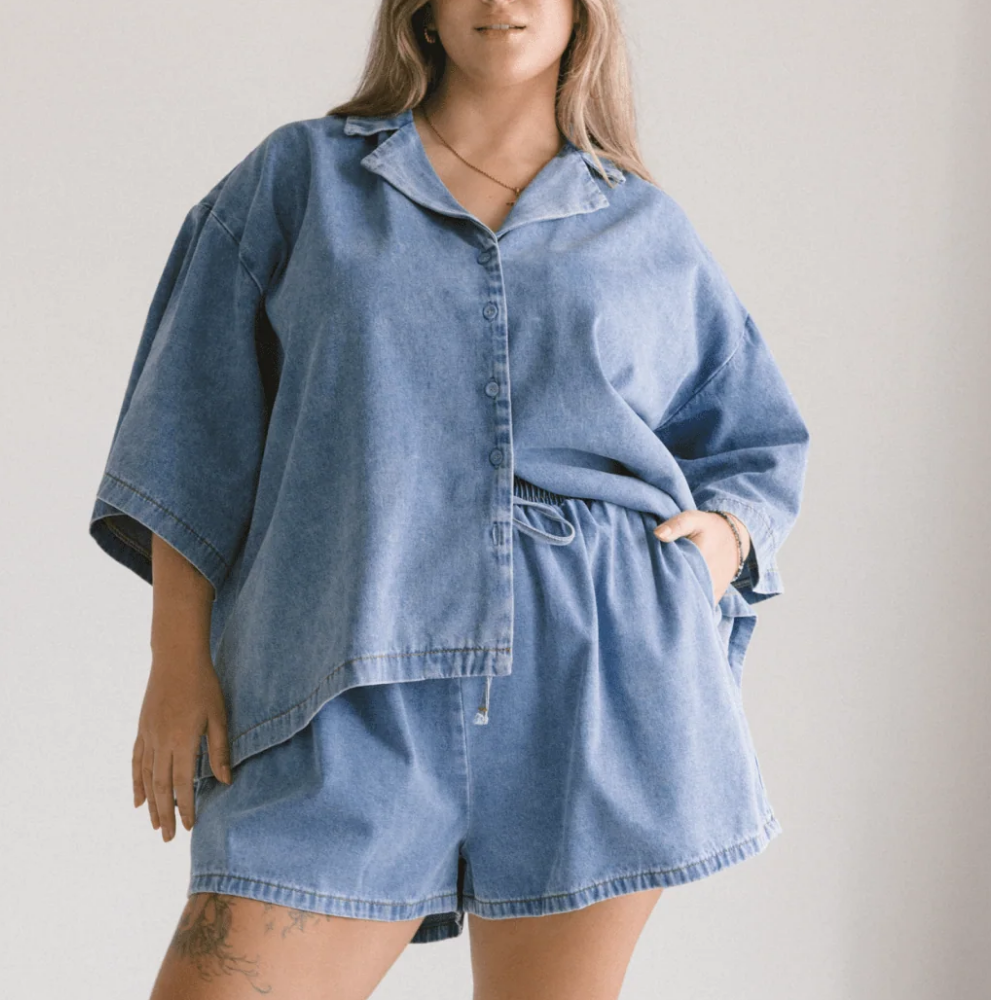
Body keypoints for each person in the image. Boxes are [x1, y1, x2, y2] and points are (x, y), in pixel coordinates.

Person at [88, 1, 811, 996]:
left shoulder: (641, 223)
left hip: (597, 682)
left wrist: (722, 543)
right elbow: (192, 419)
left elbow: (753, 434)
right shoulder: (304, 179)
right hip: (345, 681)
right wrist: (177, 657)